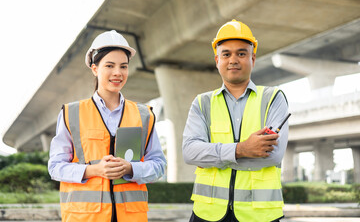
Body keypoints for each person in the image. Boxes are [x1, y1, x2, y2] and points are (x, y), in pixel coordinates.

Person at [48, 30, 166, 222]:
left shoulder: (144, 115)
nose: (118, 73)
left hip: (131, 217)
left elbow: (159, 165)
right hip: (85, 217)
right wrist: (94, 170)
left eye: (124, 66)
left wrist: (130, 169)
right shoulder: (71, 113)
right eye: (109, 65)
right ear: (95, 68)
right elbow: (55, 167)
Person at [183, 20, 289, 222]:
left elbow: (273, 155)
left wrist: (212, 156)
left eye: (241, 53)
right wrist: (242, 149)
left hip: (259, 216)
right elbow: (189, 152)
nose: (233, 60)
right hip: (207, 214)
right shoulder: (202, 103)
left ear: (253, 59)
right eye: (226, 54)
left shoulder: (273, 99)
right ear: (217, 60)